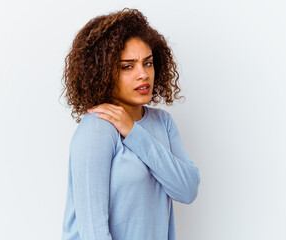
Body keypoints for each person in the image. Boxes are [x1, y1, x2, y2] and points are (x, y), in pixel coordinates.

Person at [60, 8, 200, 240]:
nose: (143, 74)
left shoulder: (162, 122)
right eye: (127, 66)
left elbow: (187, 190)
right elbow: (93, 233)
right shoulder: (97, 128)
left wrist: (135, 132)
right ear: (103, 73)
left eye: (148, 63)